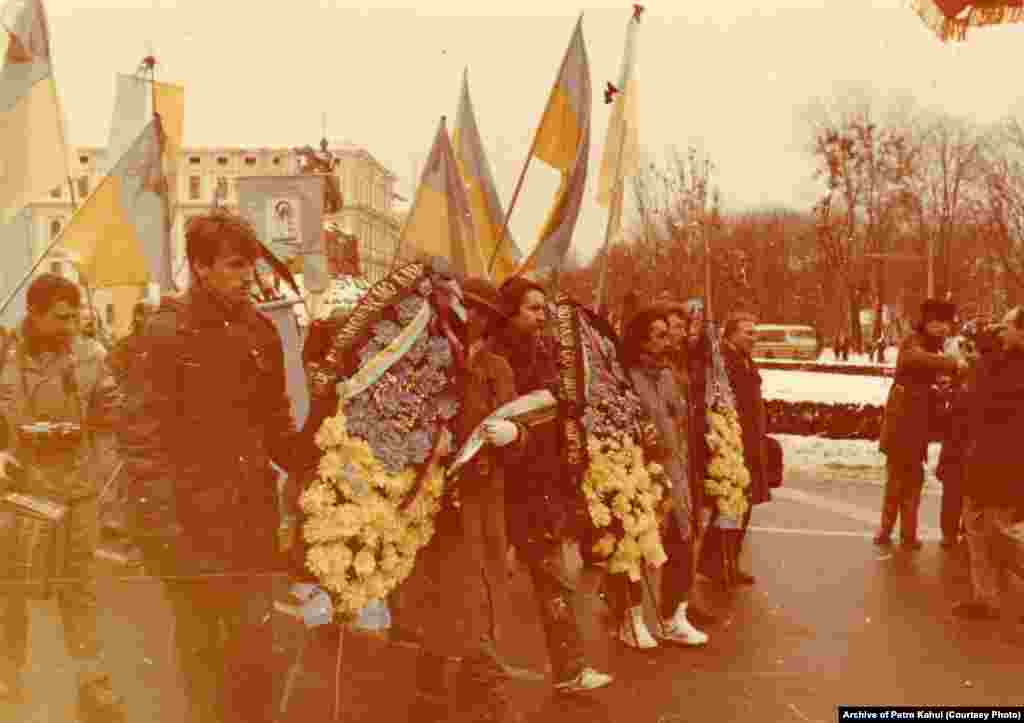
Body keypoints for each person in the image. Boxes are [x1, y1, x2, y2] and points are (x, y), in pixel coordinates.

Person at [118, 210, 302, 722]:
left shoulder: (262, 332)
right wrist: (164, 530)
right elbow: (142, 442)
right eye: (234, 266)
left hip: (250, 524)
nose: (247, 276)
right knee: (204, 665)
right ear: (200, 267)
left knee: (256, 662)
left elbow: (278, 427)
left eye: (249, 266)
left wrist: (326, 458)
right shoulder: (166, 334)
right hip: (190, 528)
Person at [0, 274, 126, 718]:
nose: (71, 325)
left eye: (75, 316)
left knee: (79, 591)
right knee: (10, 593)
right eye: (60, 317)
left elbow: (112, 412)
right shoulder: (4, 356)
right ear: (33, 314)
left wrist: (111, 416)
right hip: (18, 494)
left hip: (77, 492)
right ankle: (7, 683)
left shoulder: (92, 355)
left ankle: (92, 685)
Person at [410, 276, 530, 723]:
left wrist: (514, 434)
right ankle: (432, 692)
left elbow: (522, 425)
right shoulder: (430, 361)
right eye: (468, 310)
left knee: (483, 594)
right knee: (441, 599)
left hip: (485, 500)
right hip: (437, 502)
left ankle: (484, 694)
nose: (473, 320)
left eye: (483, 314)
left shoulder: (497, 368)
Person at [493, 277, 612, 694]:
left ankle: (570, 670)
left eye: (543, 309)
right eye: (532, 309)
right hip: (508, 486)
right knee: (495, 583)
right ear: (509, 311)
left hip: (544, 482)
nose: (541, 317)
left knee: (553, 580)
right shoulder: (496, 359)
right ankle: (471, 667)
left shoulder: (545, 353)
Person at [612, 306, 709, 649]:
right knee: (636, 545)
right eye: (658, 335)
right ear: (639, 338)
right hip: (640, 472)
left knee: (681, 541)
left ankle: (673, 617)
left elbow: (680, 420)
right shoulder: (623, 376)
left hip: (675, 471)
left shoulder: (668, 375)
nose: (666, 341)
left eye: (668, 334)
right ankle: (631, 617)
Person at [952, 307, 1024, 620]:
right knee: (977, 529)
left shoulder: (1010, 365)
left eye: (1006, 326)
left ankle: (989, 596)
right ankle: (985, 598)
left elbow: (987, 397)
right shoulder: (999, 360)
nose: (1000, 330)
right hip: (985, 457)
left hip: (1004, 461)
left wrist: (984, 357)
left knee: (997, 532)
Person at [876, 299, 965, 550]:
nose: (942, 328)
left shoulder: (934, 348)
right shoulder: (913, 341)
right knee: (897, 479)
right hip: (901, 423)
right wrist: (952, 363)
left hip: (917, 425)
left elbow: (932, 382)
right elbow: (914, 359)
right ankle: (885, 530)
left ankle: (908, 534)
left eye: (946, 323)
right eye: (936, 323)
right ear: (925, 323)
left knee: (913, 479)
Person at [718, 311, 771, 584]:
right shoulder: (725, 361)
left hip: (748, 441)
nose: (754, 338)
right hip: (733, 444)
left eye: (755, 332)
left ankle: (729, 563)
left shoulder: (743, 359)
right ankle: (722, 566)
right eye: (748, 332)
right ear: (731, 334)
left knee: (741, 507)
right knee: (730, 507)